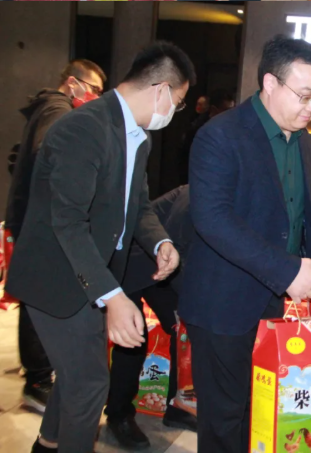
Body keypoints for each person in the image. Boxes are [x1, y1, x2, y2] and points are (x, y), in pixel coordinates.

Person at [6, 41, 195, 453]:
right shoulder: (83, 128)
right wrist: (113, 296)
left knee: (78, 376)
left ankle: (47, 444)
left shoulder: (137, 137)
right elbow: (68, 222)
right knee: (90, 384)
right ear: (161, 90)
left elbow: (138, 205)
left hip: (90, 275)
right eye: (178, 102)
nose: (174, 112)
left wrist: (160, 240)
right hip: (56, 275)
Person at [179, 35, 311, 453]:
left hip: (273, 300)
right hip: (223, 301)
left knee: (261, 407)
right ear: (270, 83)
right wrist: (287, 270)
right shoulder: (220, 135)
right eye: (305, 95)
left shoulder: (301, 138)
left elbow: (305, 211)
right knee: (224, 417)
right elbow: (212, 219)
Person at [4, 58, 106, 413]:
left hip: (32, 218)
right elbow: (51, 150)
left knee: (36, 293)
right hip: (41, 223)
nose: (95, 97)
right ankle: (37, 380)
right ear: (73, 83)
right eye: (93, 89)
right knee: (40, 296)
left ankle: (36, 371)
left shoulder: (48, 107)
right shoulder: (57, 108)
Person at [106, 185, 197, 450]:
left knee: (183, 329)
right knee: (133, 336)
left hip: (162, 265)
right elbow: (174, 244)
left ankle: (176, 406)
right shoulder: (195, 193)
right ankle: (119, 414)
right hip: (133, 257)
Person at [178, 90, 236, 184]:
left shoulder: (229, 130)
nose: (231, 115)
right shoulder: (200, 131)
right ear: (214, 110)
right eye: (227, 110)